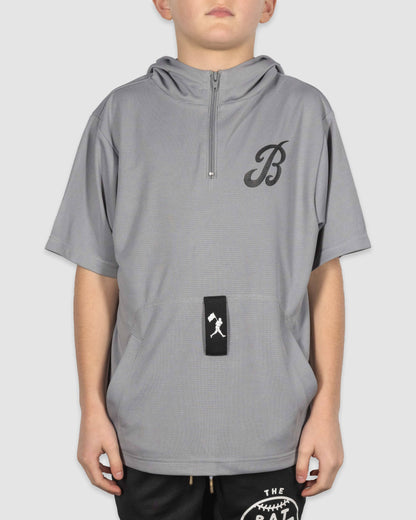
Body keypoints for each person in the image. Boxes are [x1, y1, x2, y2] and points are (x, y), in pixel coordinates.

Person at [43, 1, 372, 518]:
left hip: (273, 434)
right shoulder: (120, 115)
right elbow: (97, 273)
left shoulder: (307, 112)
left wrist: (327, 410)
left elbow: (323, 271)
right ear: (163, 3)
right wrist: (90, 409)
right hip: (147, 434)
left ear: (268, 5)